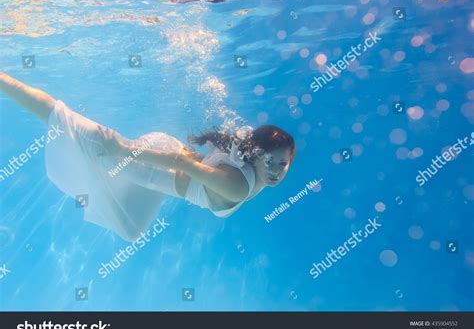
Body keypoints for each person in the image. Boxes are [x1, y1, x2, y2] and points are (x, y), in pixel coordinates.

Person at [0, 72, 295, 241]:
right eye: (271, 161)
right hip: (154, 164)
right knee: (70, 124)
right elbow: (183, 163)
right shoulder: (240, 186)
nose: (277, 170)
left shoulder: (252, 166)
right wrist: (125, 150)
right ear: (256, 155)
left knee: (130, 229)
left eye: (283, 164)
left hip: (164, 167)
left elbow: (199, 165)